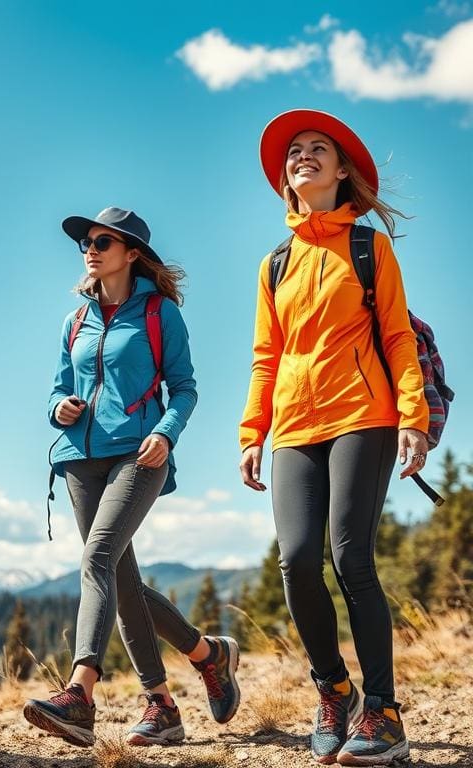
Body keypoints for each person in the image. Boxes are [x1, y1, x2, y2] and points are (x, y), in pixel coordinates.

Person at [240, 109, 429, 766]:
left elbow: (399, 336)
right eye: (295, 151)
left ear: (341, 170)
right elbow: (267, 355)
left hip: (362, 413)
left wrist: (414, 416)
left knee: (351, 559)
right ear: (287, 178)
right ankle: (334, 689)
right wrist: (251, 431)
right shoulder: (273, 265)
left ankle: (383, 711)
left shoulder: (368, 247)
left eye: (318, 148)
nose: (304, 155)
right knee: (296, 560)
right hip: (294, 425)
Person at [23, 207, 240, 748]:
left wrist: (165, 433)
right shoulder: (75, 319)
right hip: (77, 458)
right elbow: (55, 388)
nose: (89, 250)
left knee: (96, 559)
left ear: (132, 253)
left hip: (139, 455)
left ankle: (79, 692)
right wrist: (60, 409)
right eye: (85, 243)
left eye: (102, 241)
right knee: (119, 580)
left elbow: (184, 387)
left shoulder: (158, 313)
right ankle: (188, 676)